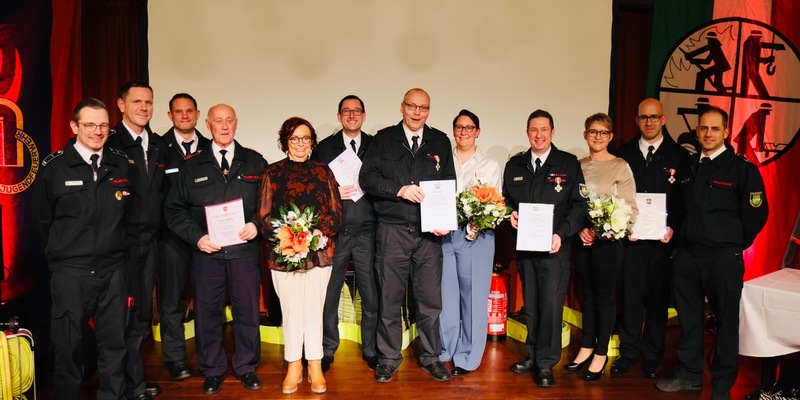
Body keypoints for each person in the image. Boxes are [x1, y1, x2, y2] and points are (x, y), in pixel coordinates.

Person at [656, 106, 768, 400]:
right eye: (703, 128)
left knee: (726, 322)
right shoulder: (689, 166)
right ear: (697, 131)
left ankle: (722, 384)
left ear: (726, 132)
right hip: (687, 257)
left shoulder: (742, 169)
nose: (708, 134)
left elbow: (757, 215)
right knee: (689, 320)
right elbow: (679, 209)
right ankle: (688, 375)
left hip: (722, 258)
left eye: (715, 128)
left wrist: (732, 243)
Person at [165, 104, 267, 395]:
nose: (224, 126)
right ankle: (212, 369)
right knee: (207, 314)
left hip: (244, 254)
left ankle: (246, 367)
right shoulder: (191, 165)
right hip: (206, 254)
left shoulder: (255, 162)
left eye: (229, 120)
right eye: (218, 121)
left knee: (247, 313)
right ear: (208, 125)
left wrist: (257, 224)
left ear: (236, 124)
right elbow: (173, 210)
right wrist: (197, 237)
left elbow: (269, 205)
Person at [32, 98, 131, 400]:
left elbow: (129, 217)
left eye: (103, 125)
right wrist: (68, 252)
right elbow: (43, 221)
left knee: (115, 345)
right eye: (89, 125)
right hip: (71, 273)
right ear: (74, 127)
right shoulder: (54, 167)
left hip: (113, 271)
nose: (97, 131)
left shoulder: (121, 163)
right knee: (68, 348)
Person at [360, 88, 456, 383]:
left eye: (423, 108)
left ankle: (431, 357)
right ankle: (388, 358)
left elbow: (448, 183)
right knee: (389, 300)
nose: (417, 112)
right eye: (412, 106)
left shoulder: (440, 140)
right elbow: (367, 178)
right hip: (392, 232)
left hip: (429, 235)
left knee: (430, 302)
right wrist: (398, 190)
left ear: (429, 111)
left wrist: (444, 220)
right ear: (402, 107)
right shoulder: (383, 139)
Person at [258, 117, 343, 394]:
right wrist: (290, 237)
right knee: (292, 311)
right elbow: (264, 217)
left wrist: (314, 235)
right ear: (285, 141)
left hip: (318, 253)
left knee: (314, 311)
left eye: (305, 138)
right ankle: (294, 365)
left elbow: (336, 211)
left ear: (312, 142)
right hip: (284, 254)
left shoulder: (323, 171)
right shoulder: (272, 173)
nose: (300, 143)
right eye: (294, 138)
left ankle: (315, 365)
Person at [503, 109, 585, 388]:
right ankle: (533, 355)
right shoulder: (515, 165)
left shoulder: (568, 164)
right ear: (527, 133)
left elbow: (579, 206)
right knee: (532, 304)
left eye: (544, 129)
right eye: (534, 130)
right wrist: (510, 214)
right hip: (526, 248)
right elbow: (505, 200)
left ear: (552, 132)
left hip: (555, 249)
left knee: (550, 305)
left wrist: (561, 234)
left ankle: (546, 363)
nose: (539, 135)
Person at [611, 98, 689, 378]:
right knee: (630, 300)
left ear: (663, 119)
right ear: (637, 121)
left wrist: (673, 228)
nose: (649, 122)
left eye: (654, 117)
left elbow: (683, 203)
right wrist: (622, 225)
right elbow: (615, 196)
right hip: (631, 241)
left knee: (657, 302)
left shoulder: (679, 156)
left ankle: (653, 355)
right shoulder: (623, 155)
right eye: (644, 117)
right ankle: (629, 352)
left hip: (662, 244)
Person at [106, 82, 167, 400]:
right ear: (121, 105)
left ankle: (135, 383)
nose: (144, 108)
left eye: (148, 102)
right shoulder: (109, 143)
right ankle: (120, 387)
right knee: (120, 317)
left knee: (141, 315)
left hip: (150, 242)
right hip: (121, 245)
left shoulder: (157, 144)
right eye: (137, 102)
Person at [565, 113, 637, 381]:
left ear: (611, 136)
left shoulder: (620, 166)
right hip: (582, 240)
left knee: (605, 297)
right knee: (587, 295)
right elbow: (571, 204)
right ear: (585, 135)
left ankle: (601, 352)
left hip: (608, 243)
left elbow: (630, 208)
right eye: (593, 132)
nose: (598, 137)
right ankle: (586, 346)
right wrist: (580, 229)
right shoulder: (577, 166)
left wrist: (602, 230)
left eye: (603, 132)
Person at [311, 96, 380, 372]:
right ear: (339, 116)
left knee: (371, 295)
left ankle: (371, 349)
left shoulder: (376, 145)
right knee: (329, 295)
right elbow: (313, 187)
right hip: (335, 233)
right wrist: (332, 193)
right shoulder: (324, 148)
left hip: (368, 231)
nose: (352, 115)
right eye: (346, 111)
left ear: (364, 116)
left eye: (357, 111)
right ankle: (327, 349)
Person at [439, 109, 502, 376]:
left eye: (469, 127)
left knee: (474, 297)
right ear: (454, 131)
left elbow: (496, 203)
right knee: (446, 296)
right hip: (444, 234)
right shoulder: (441, 160)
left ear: (478, 131)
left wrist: (479, 223)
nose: (463, 132)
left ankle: (467, 357)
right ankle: (445, 349)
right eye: (459, 127)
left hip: (477, 237)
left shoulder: (490, 164)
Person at [158, 93, 210, 380]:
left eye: (189, 110)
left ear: (198, 114)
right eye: (179, 112)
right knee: (172, 300)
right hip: (172, 236)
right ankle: (176, 358)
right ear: (170, 116)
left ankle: (208, 357)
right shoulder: (158, 148)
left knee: (206, 300)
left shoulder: (210, 147)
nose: (185, 115)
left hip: (206, 236)